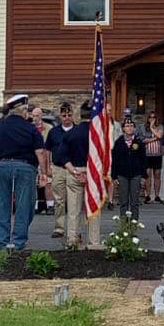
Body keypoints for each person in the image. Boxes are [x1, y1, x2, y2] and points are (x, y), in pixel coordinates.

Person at [0, 94, 47, 250]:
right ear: (23, 111)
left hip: (1, 166)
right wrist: (44, 172)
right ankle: (18, 241)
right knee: (24, 205)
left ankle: (2, 241)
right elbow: (40, 152)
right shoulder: (30, 128)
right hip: (25, 167)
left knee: (1, 204)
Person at [59, 100, 101, 247]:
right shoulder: (97, 135)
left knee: (73, 210)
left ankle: (72, 240)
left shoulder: (71, 133)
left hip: (75, 171)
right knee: (93, 209)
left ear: (80, 115)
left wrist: (75, 171)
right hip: (93, 172)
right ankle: (94, 241)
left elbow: (62, 157)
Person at [44, 102, 75, 239]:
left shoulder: (77, 130)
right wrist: (47, 168)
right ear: (60, 116)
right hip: (58, 168)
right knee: (59, 200)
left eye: (69, 115)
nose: (67, 118)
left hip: (74, 168)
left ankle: (74, 229)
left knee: (74, 201)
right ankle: (59, 228)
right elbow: (47, 151)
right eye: (64, 115)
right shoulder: (54, 132)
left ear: (72, 115)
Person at [111, 116, 147, 219]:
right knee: (123, 201)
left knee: (134, 202)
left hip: (136, 174)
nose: (129, 128)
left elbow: (143, 160)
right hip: (122, 175)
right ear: (123, 128)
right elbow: (115, 160)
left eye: (131, 126)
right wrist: (114, 176)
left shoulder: (138, 142)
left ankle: (134, 223)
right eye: (127, 126)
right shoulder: (119, 142)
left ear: (134, 128)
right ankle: (124, 224)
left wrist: (143, 176)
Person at [31, 107, 53, 214]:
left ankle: (50, 206)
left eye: (37, 116)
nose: (35, 118)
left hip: (47, 158)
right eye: (33, 116)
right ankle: (34, 206)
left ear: (41, 116)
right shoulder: (29, 128)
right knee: (33, 183)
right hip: (34, 159)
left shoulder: (49, 128)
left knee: (48, 182)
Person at [142, 111, 164, 204]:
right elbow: (143, 140)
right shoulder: (143, 128)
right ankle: (147, 195)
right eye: (150, 117)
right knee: (148, 174)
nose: (152, 119)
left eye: (154, 117)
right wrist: (154, 138)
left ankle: (157, 195)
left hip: (157, 154)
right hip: (147, 154)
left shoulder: (160, 127)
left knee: (157, 174)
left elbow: (160, 135)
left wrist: (152, 128)